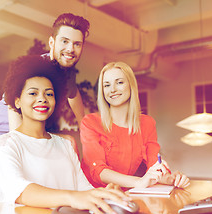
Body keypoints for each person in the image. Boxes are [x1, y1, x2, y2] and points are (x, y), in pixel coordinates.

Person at [0, 55, 132, 214]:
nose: (42, 99)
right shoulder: (5, 144)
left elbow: (83, 189)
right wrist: (71, 198)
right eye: (33, 93)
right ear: (17, 101)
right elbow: (20, 190)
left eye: (49, 94)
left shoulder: (65, 144)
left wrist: (103, 193)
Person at [80, 61, 190, 189]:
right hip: (92, 194)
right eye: (107, 85)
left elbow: (154, 164)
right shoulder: (90, 122)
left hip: (125, 195)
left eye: (119, 82)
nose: (113, 89)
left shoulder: (147, 124)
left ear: (131, 85)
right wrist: (138, 182)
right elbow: (98, 170)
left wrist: (172, 179)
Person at [0, 13, 89, 141]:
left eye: (77, 44)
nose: (70, 49)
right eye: (65, 41)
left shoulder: (67, 72)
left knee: (69, 141)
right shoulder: (33, 68)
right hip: (4, 137)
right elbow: (12, 105)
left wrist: (85, 127)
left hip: (33, 134)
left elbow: (73, 94)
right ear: (52, 42)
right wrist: (22, 145)